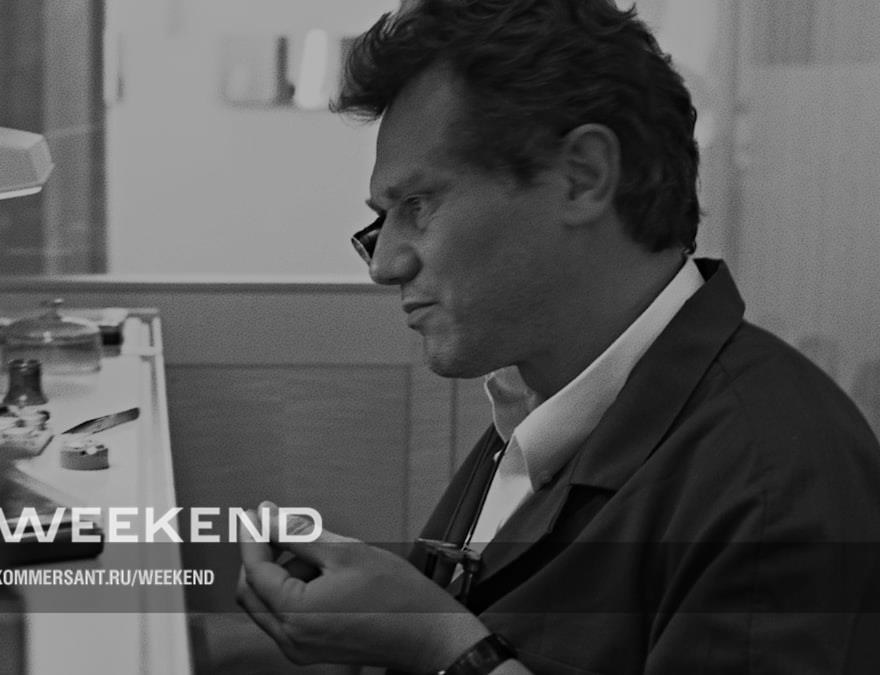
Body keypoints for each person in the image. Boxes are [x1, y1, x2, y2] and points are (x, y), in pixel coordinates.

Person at [232, 0, 880, 673]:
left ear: (583, 176)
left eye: (418, 206)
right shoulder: (538, 397)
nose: (386, 265)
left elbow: (460, 645)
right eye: (381, 221)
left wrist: (439, 645)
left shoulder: (771, 481)